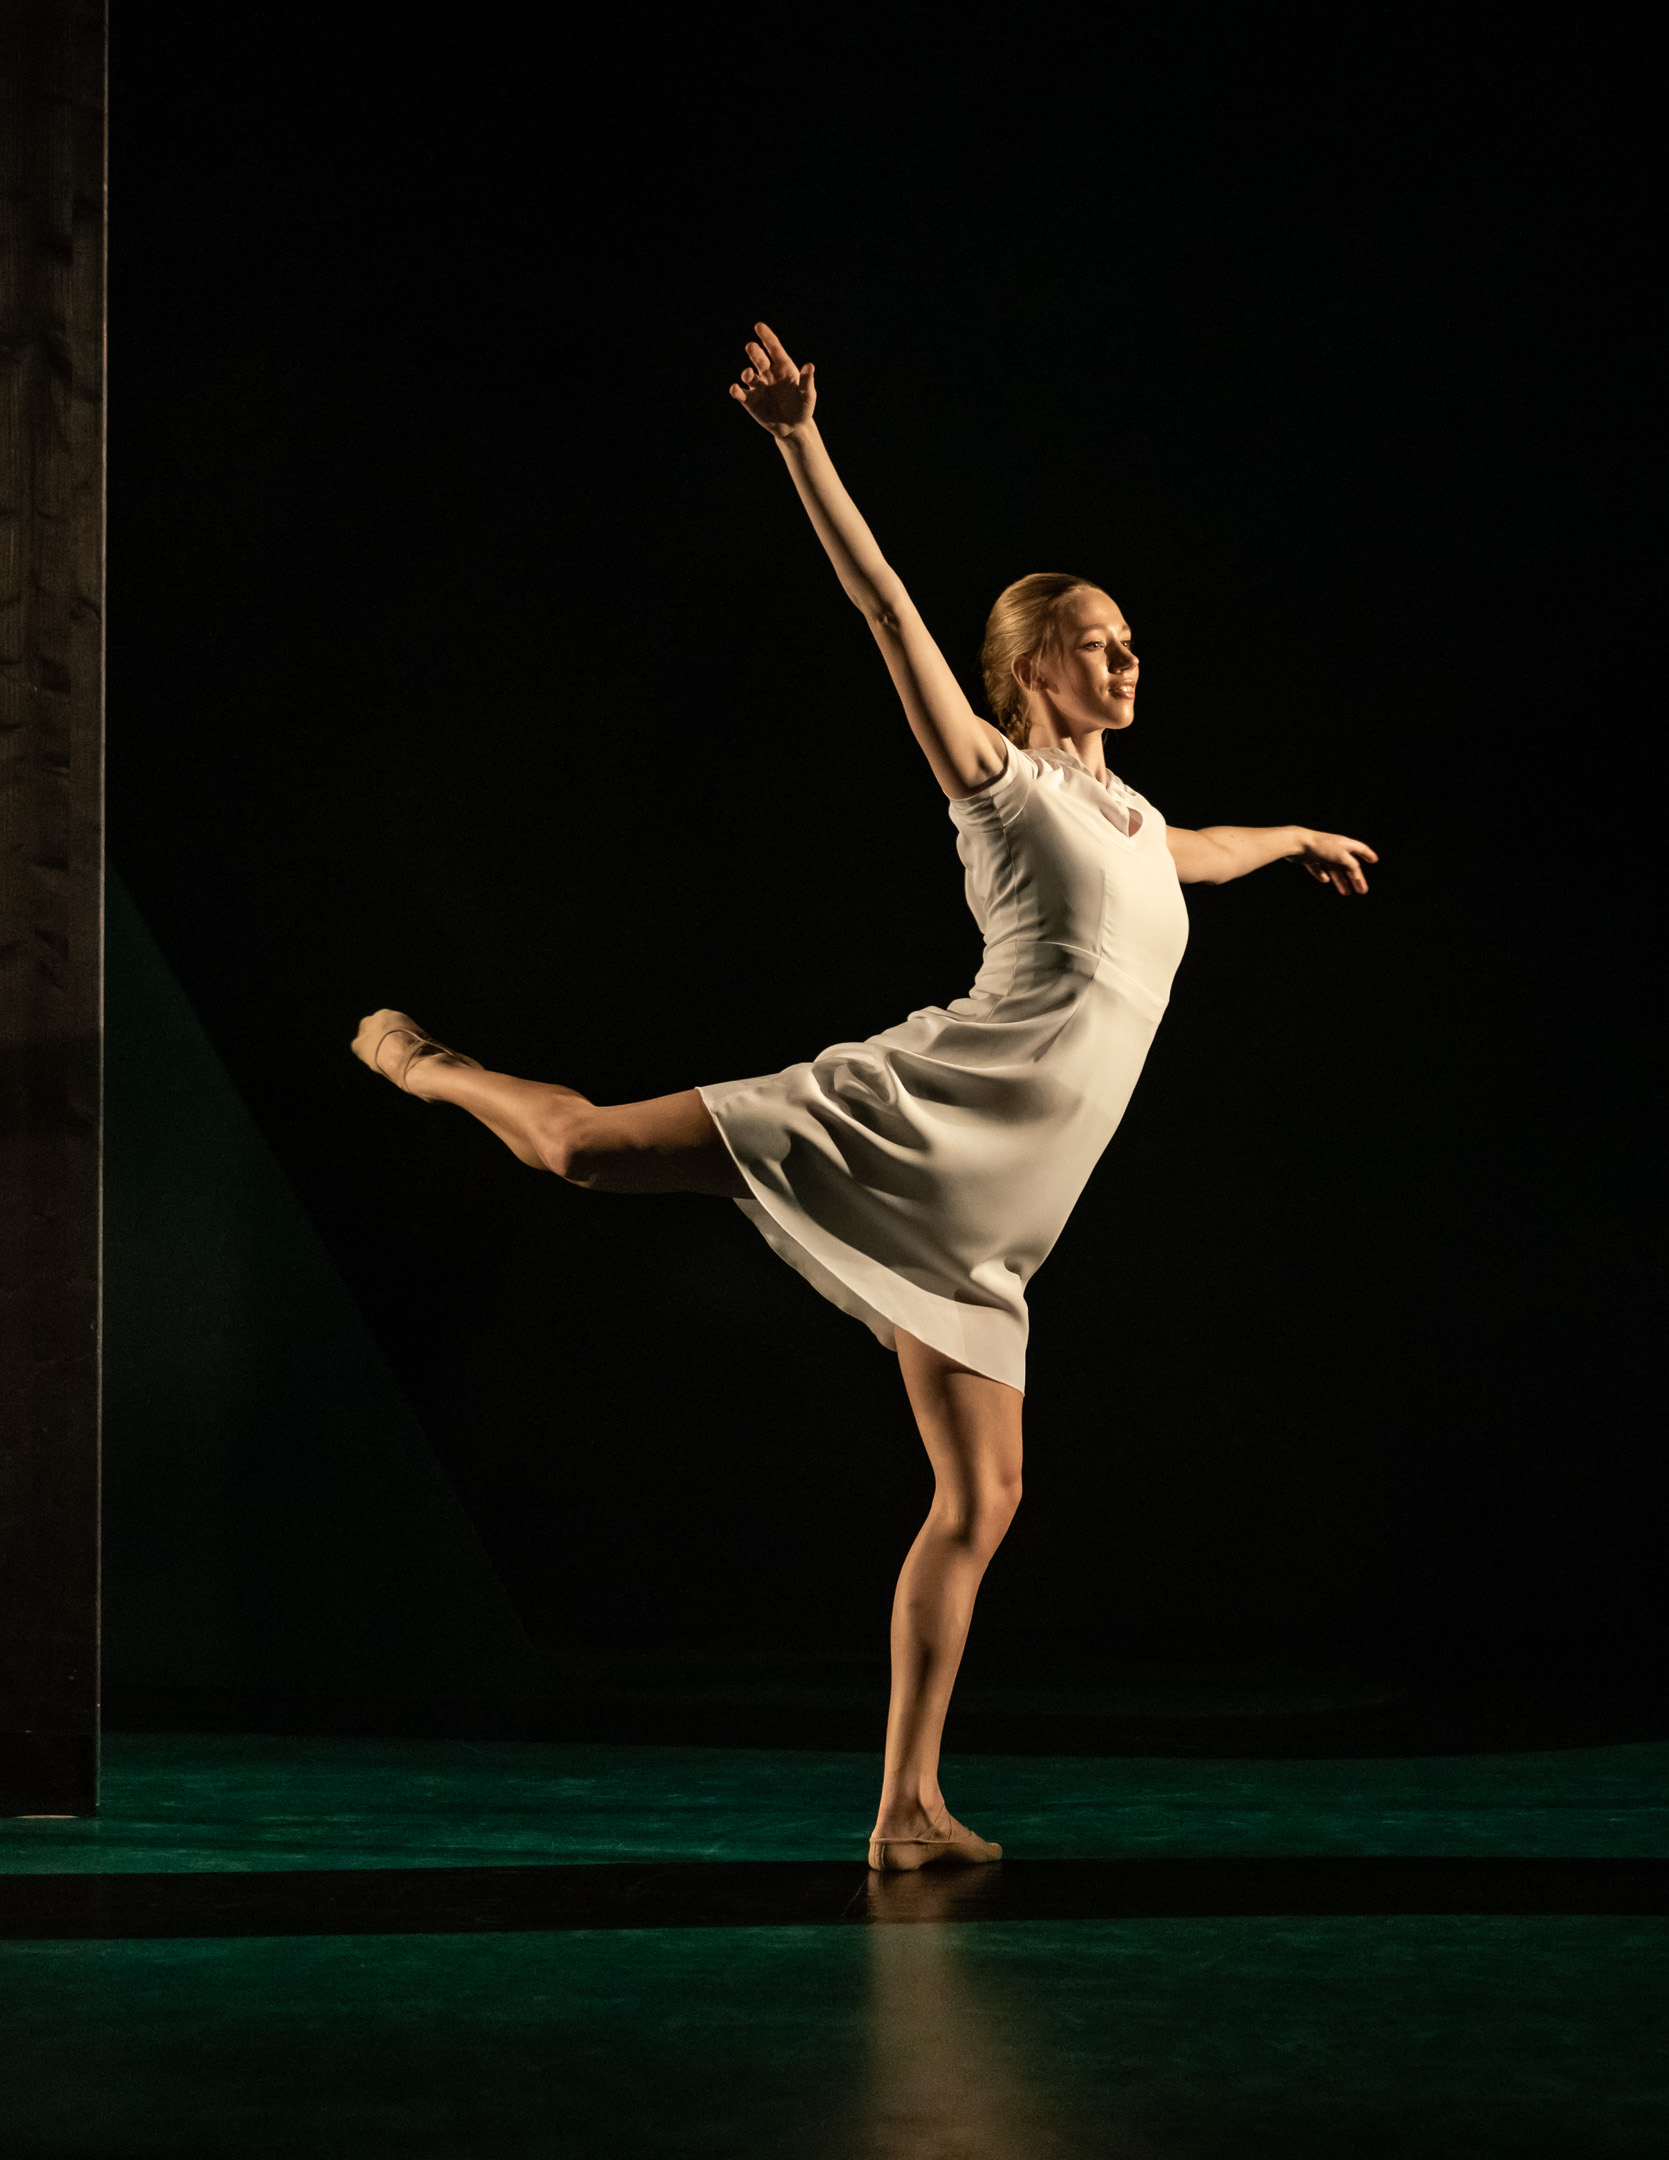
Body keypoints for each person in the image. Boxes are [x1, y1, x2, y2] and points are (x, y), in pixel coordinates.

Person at [351, 322, 1377, 1873]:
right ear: (1029, 666)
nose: (1125, 660)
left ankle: (905, 1809)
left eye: (1128, 642)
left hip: (993, 1229)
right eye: (1096, 642)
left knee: (983, 1498)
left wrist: (1292, 835)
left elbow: (1206, 853)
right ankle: (424, 1063)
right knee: (576, 1152)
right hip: (904, 1119)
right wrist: (797, 441)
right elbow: (884, 603)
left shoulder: (1137, 820)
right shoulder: (1001, 786)